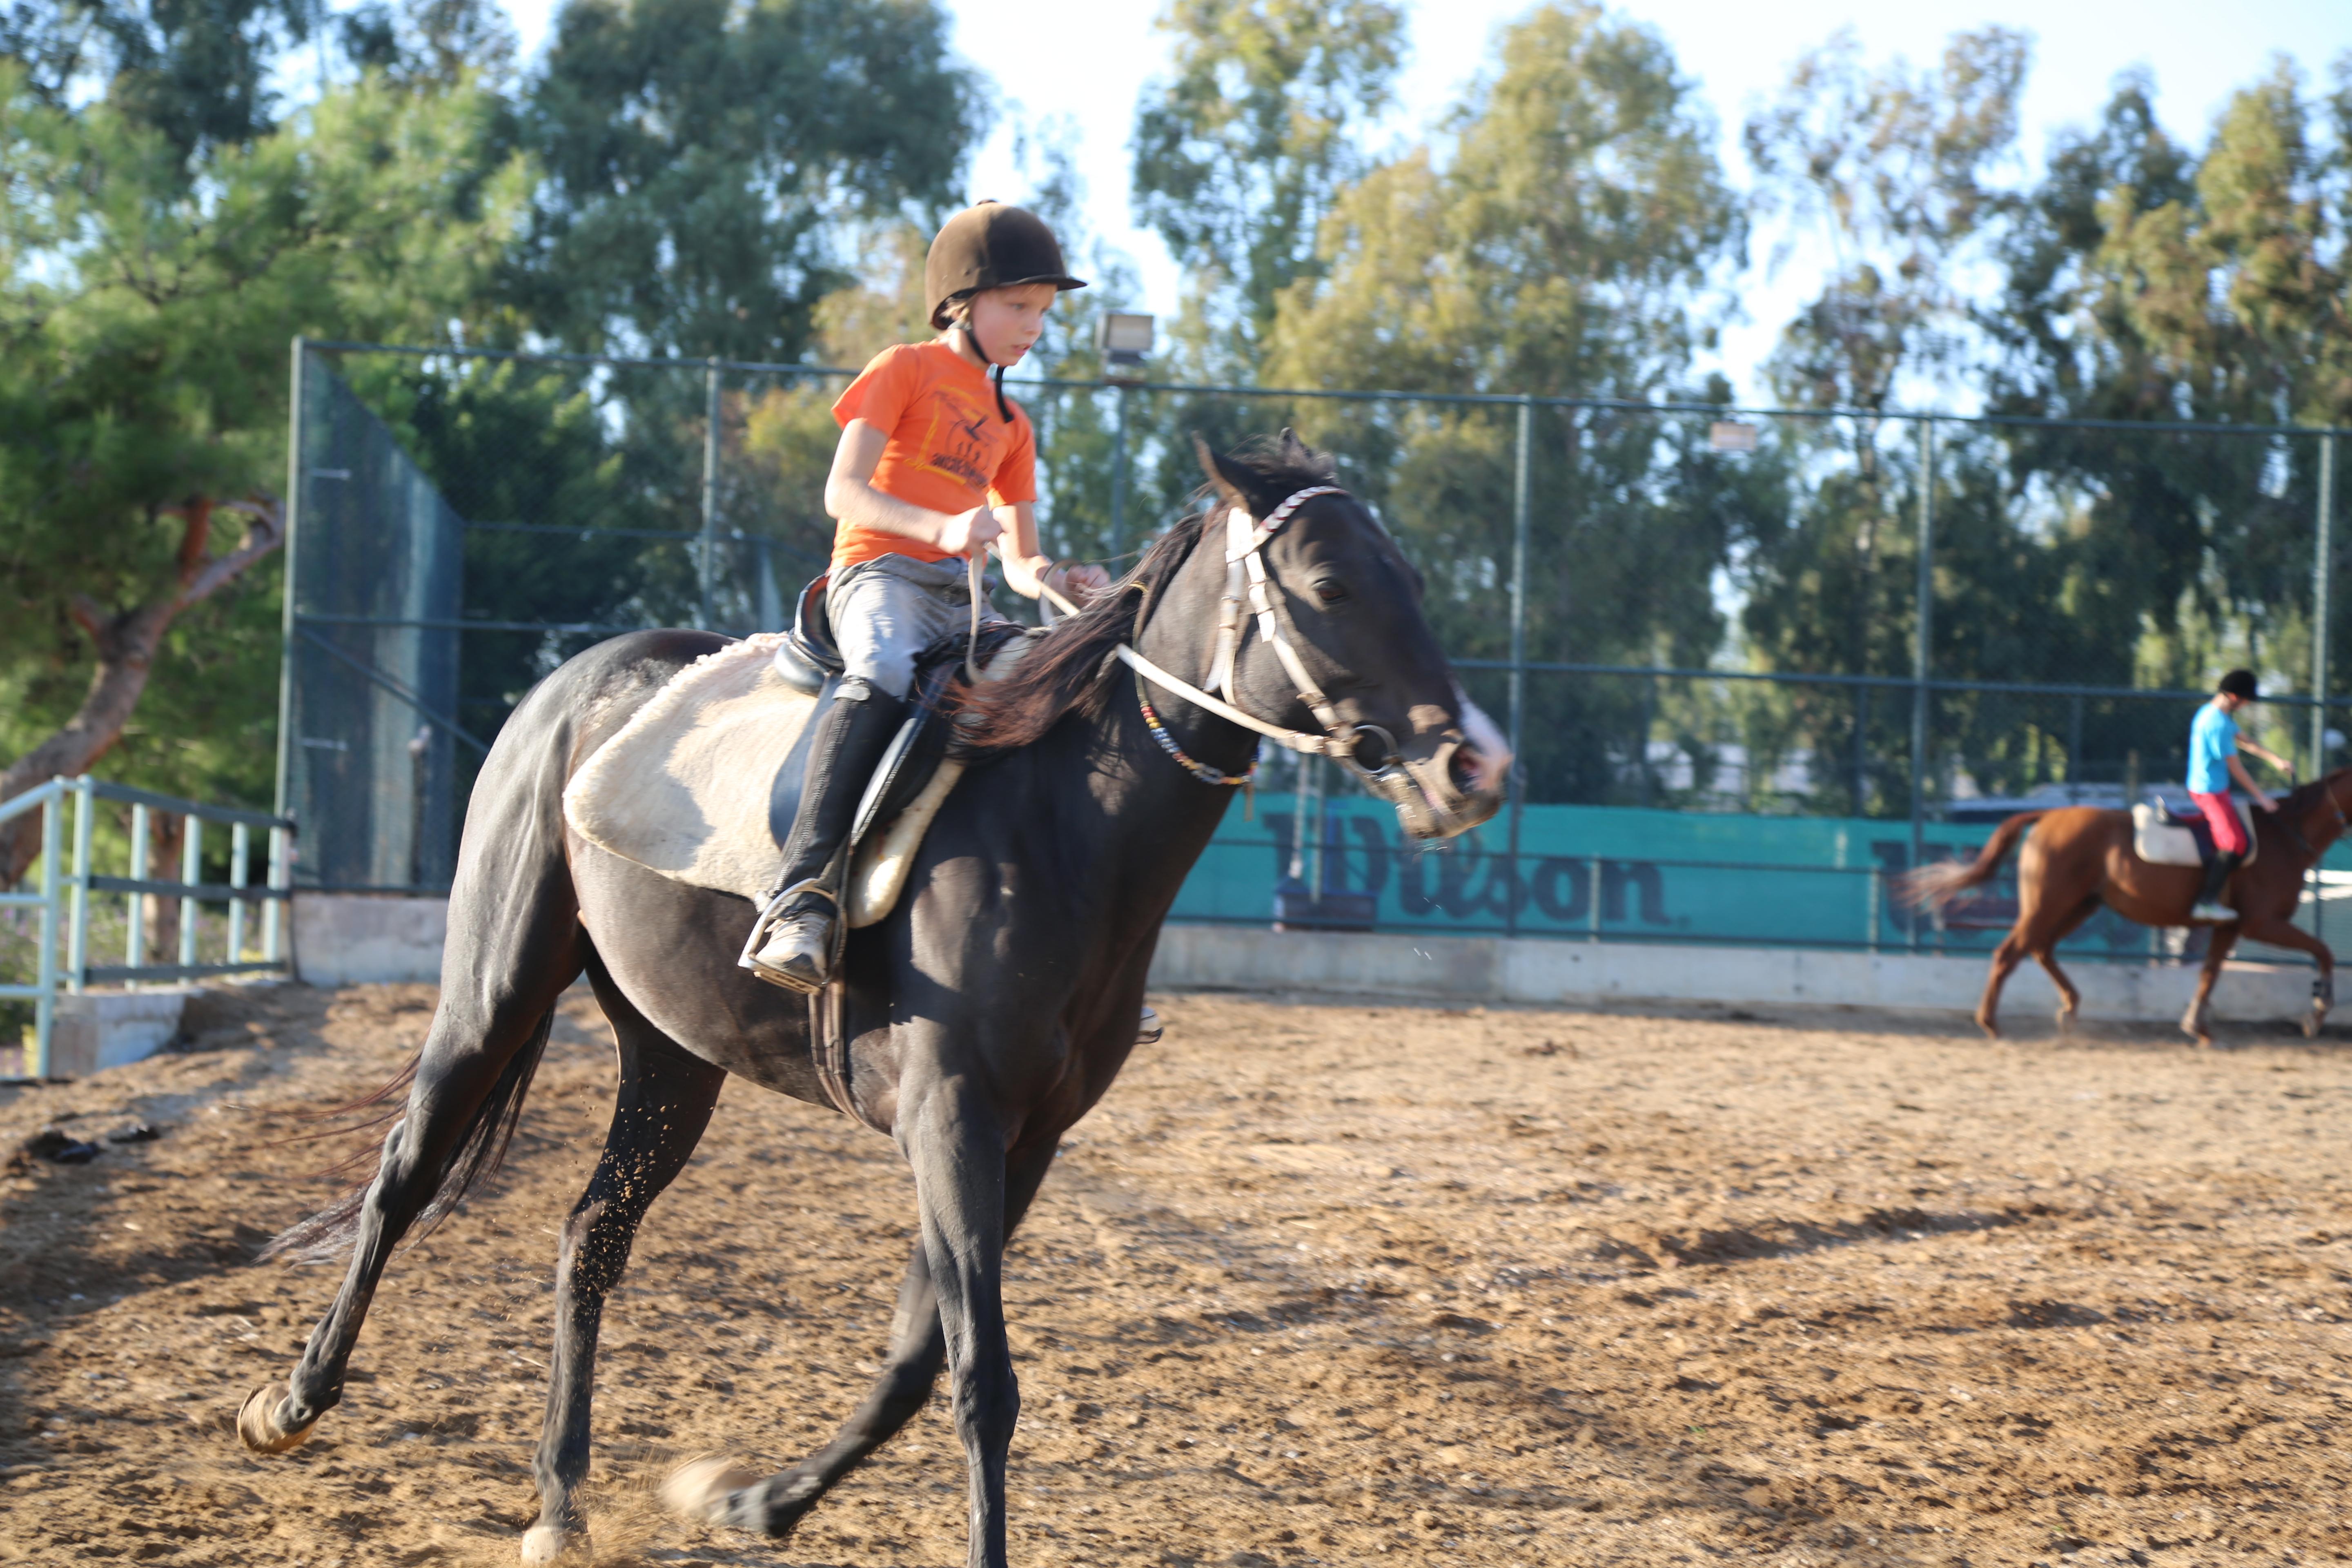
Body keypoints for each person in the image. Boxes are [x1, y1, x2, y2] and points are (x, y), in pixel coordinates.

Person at [743, 201, 1110, 992]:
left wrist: (1062, 582)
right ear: (960, 303)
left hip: (964, 594)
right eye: (1019, 306)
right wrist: (941, 526)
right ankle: (800, 899)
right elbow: (842, 492)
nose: (1034, 326)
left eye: (1043, 312)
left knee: (1054, 693)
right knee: (879, 670)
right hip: (879, 577)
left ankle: (1078, 939)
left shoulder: (1014, 425)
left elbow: (1021, 559)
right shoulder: (902, 369)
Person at [2184, 668, 2290, 922]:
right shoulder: (2216, 723)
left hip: (2214, 788)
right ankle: (2206, 902)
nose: (2246, 706)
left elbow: (2245, 741)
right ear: (2234, 697)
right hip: (2209, 792)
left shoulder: (2215, 713)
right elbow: (2236, 768)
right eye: (2245, 701)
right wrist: (2262, 798)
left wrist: (2275, 760)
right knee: (2234, 843)